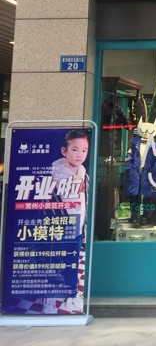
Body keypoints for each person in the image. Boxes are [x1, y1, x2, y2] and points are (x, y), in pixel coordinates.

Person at [48, 129, 90, 314]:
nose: (80, 154)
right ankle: (52, 300)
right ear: (64, 151)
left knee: (72, 263)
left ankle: (70, 298)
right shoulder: (56, 172)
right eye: (75, 149)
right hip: (61, 227)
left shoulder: (82, 170)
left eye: (84, 150)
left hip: (78, 226)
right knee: (57, 263)